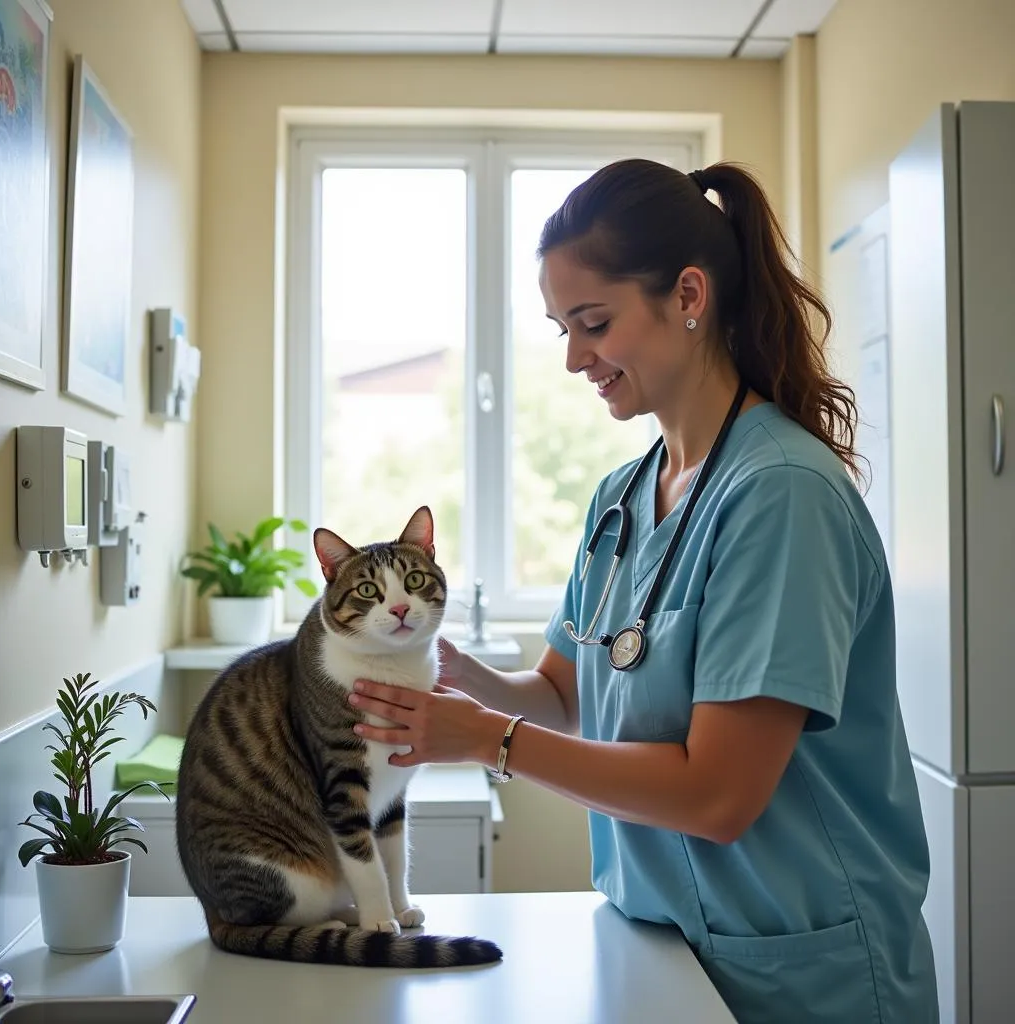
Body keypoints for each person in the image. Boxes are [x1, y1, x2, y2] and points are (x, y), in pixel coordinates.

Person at [347, 158, 939, 1024]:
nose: (575, 359)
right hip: (661, 951)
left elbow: (717, 795)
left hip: (803, 974)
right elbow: (565, 694)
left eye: (593, 323)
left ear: (688, 296)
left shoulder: (780, 494)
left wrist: (487, 740)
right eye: (562, 330)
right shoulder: (623, 497)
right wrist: (451, 673)